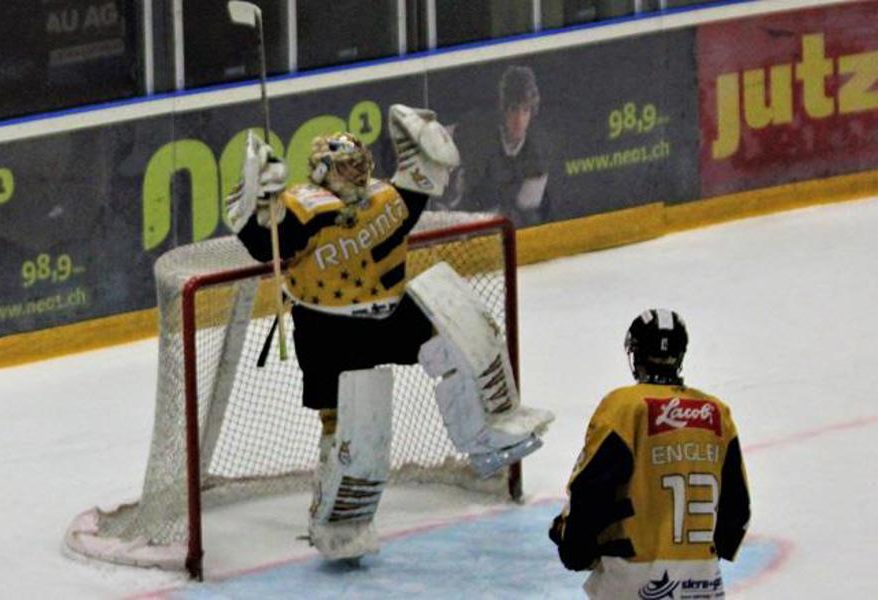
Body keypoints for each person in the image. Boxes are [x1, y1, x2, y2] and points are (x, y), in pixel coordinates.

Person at [225, 105, 553, 561]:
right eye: (346, 168)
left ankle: (487, 428)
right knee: (347, 431)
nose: (356, 175)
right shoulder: (299, 210)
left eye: (360, 165)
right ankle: (338, 519)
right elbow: (260, 239)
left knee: (457, 325)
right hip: (328, 331)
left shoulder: (383, 196)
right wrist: (257, 197)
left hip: (390, 314)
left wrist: (417, 130)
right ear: (323, 173)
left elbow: (432, 166)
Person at [550, 309, 751, 599]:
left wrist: (574, 547)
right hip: (701, 580)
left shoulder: (625, 407)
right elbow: (738, 509)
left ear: (636, 353)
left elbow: (591, 488)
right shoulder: (717, 413)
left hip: (634, 575)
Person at [444, 64, 550, 227]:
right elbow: (437, 138)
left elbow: (526, 214)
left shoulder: (537, 154)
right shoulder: (477, 131)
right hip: (460, 218)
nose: (519, 120)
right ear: (504, 110)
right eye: (514, 109)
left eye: (525, 110)